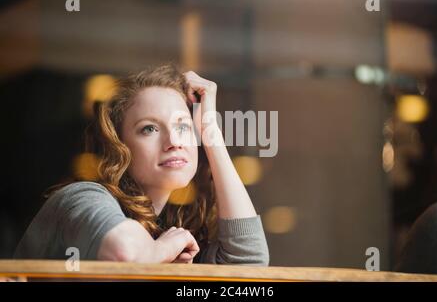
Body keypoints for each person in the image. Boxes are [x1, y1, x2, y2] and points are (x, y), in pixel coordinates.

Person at [14, 65, 269, 265]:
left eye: (183, 126)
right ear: (120, 145)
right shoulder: (82, 198)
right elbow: (124, 252)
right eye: (149, 128)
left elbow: (248, 261)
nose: (173, 141)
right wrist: (164, 250)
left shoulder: (167, 233)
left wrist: (211, 129)